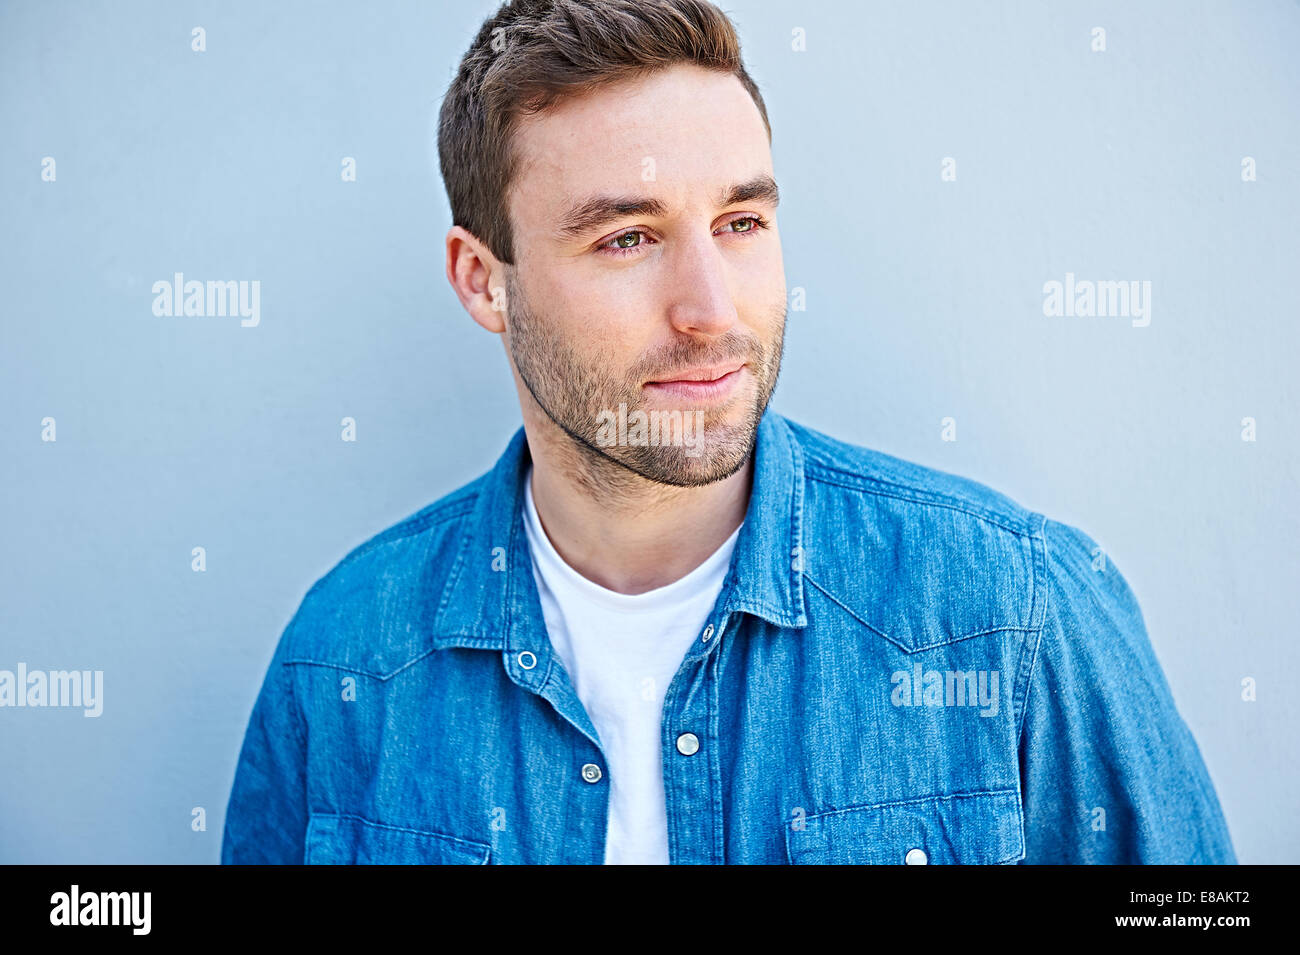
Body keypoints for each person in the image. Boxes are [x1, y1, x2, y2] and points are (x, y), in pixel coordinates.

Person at [222, 0, 1236, 865]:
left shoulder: (1011, 609)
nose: (710, 309)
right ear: (483, 279)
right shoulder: (344, 660)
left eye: (740, 224)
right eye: (628, 238)